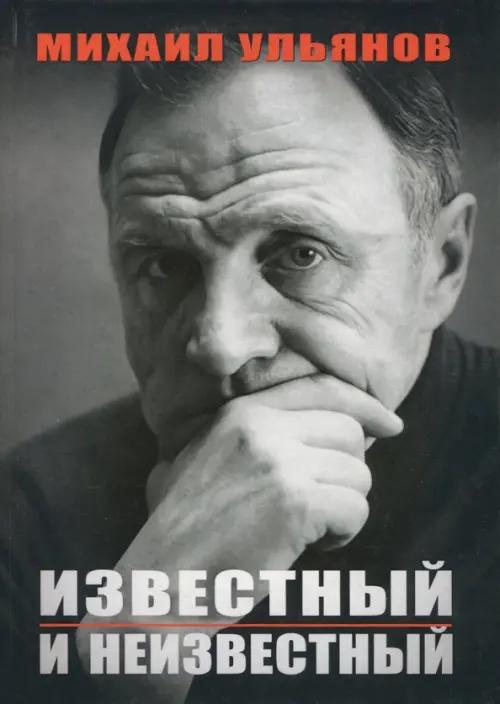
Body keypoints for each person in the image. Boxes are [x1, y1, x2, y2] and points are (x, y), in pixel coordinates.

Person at [1, 35, 499, 704]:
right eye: (164, 266)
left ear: (442, 263)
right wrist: (140, 640)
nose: (220, 344)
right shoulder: (30, 514)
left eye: (300, 254)